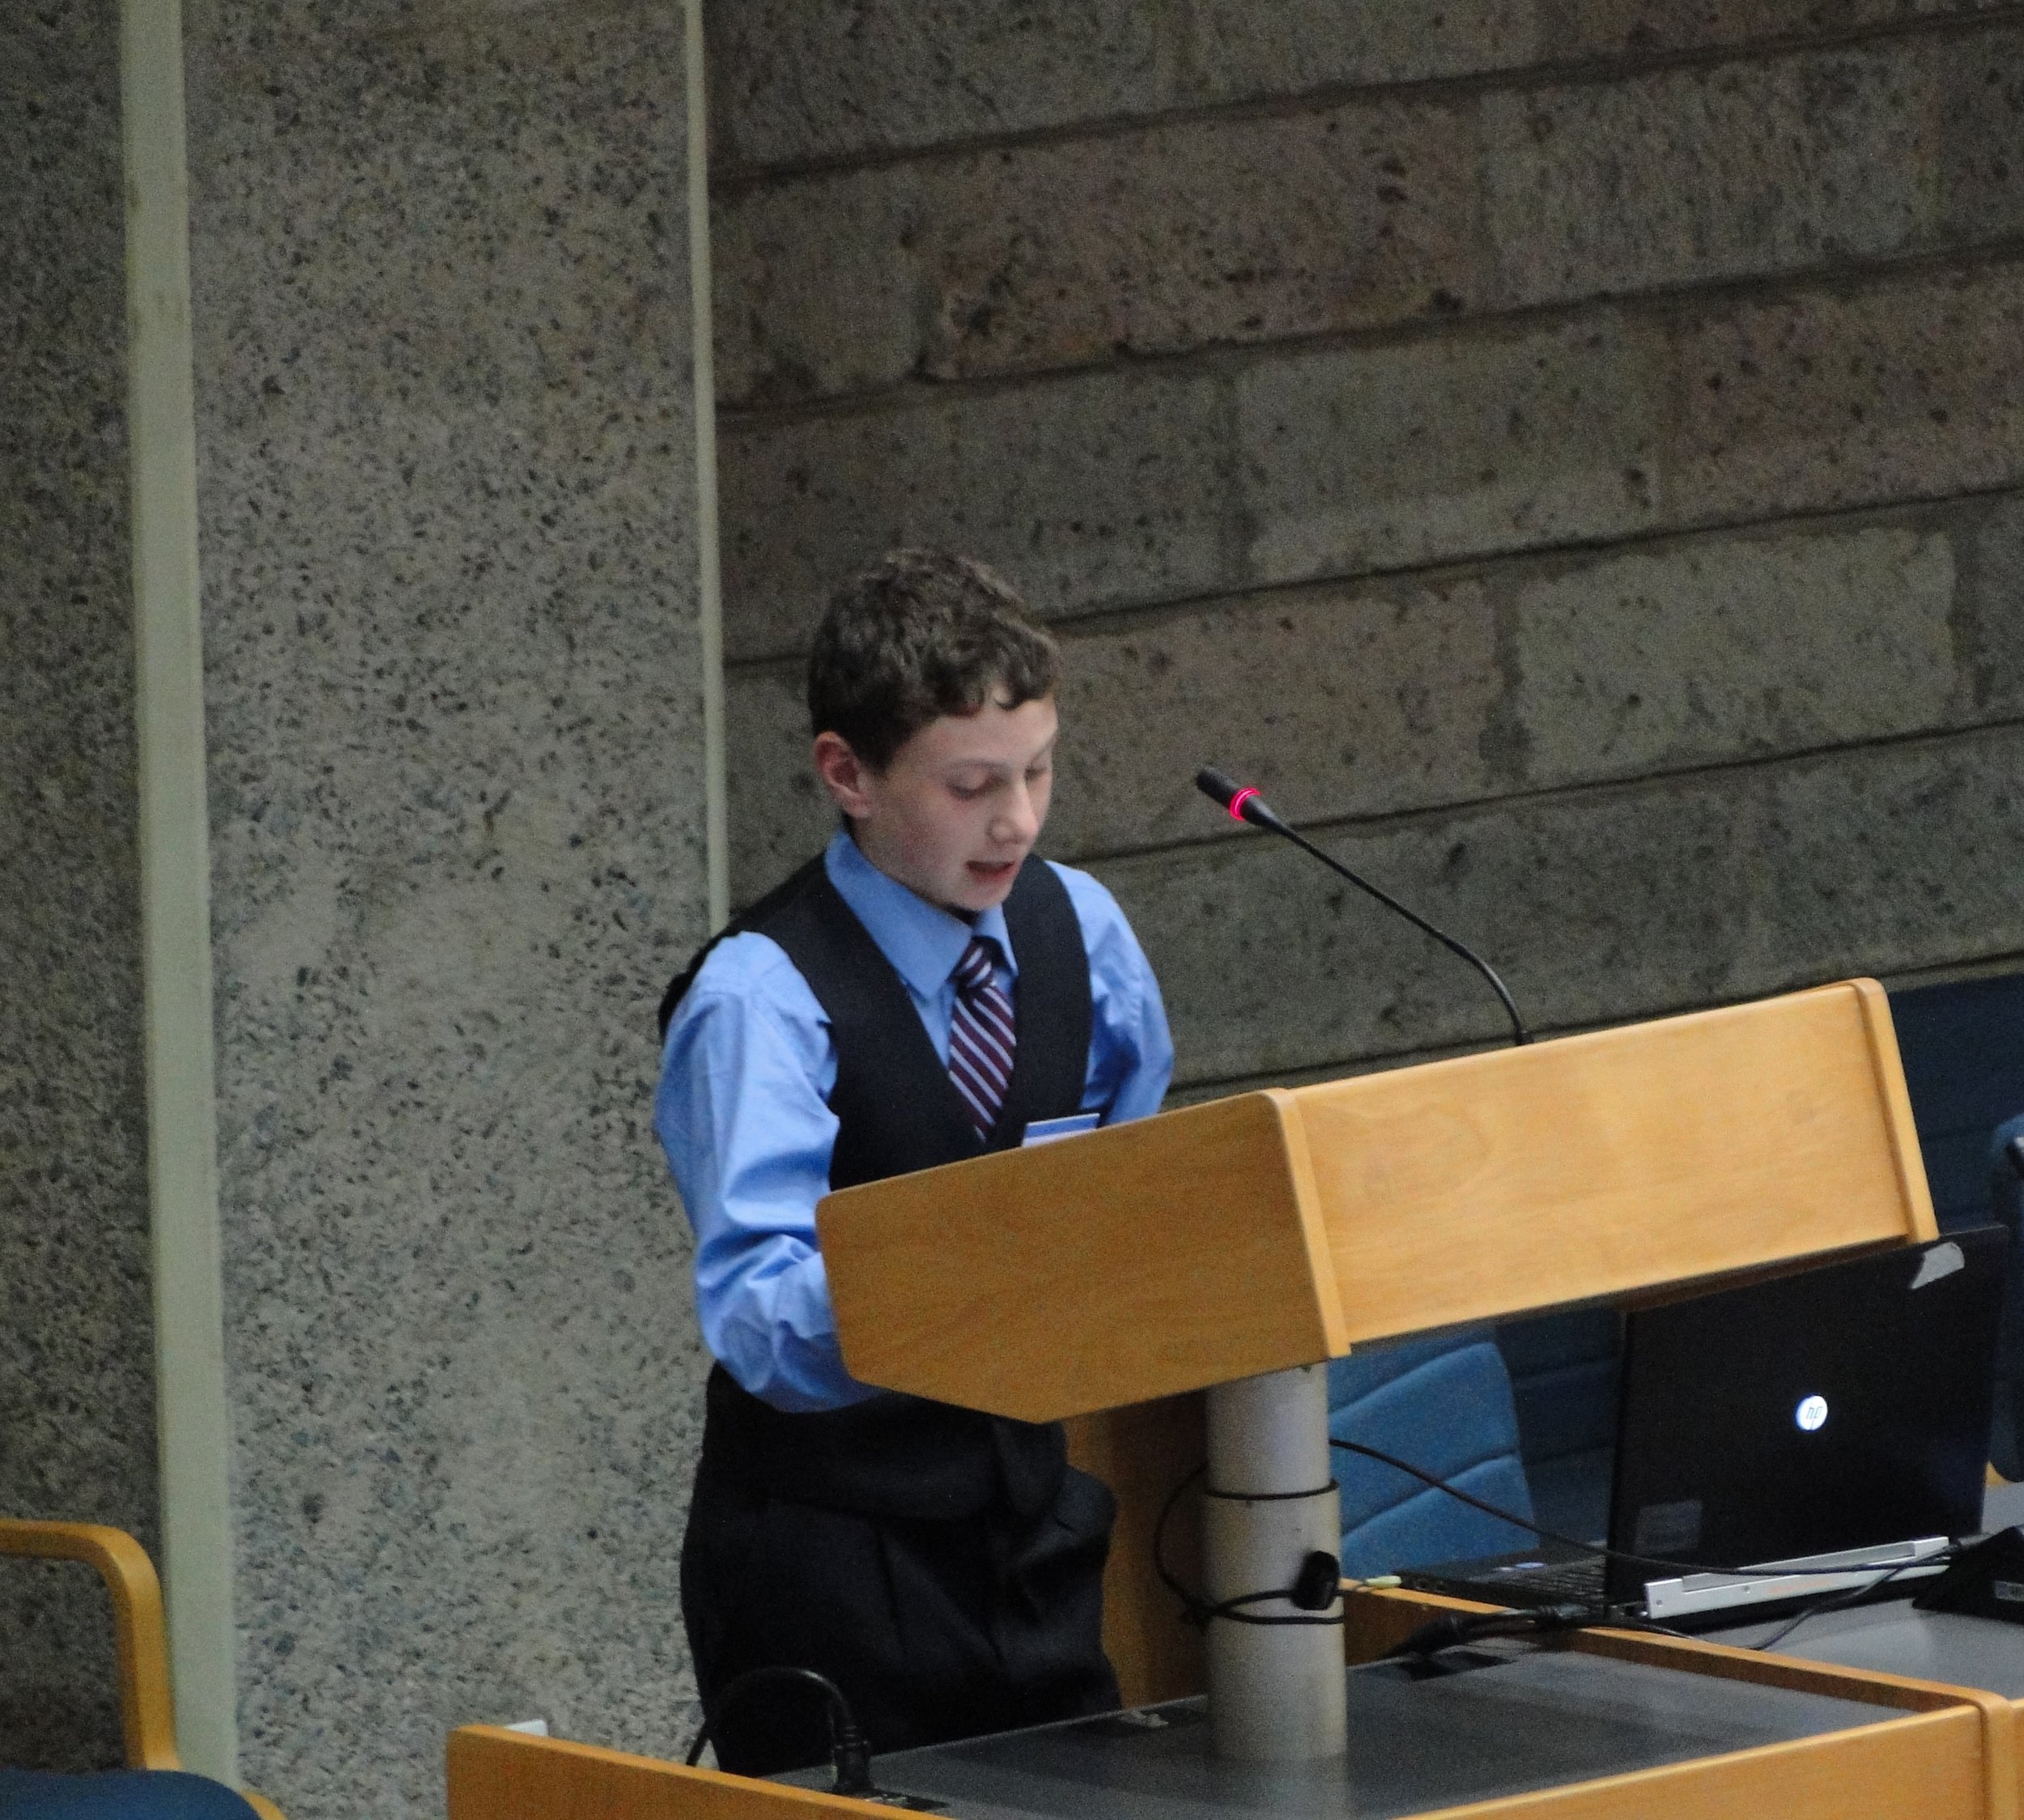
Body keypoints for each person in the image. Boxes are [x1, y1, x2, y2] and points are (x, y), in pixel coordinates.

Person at [655, 549, 1174, 1775]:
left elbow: (1144, 1187)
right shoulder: (760, 1000)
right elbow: (759, 1320)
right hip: (832, 1560)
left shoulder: (1083, 930)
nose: (1020, 820)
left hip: (1034, 1531)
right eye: (972, 785)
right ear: (849, 774)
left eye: (1040, 769)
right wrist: (969, 1271)